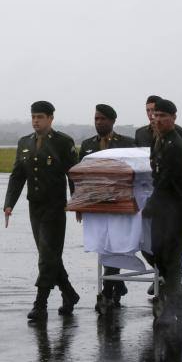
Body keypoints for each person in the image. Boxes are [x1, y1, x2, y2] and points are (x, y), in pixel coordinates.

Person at [4, 101, 80, 321]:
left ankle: (40, 304)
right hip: (34, 207)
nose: (36, 120)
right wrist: (9, 203)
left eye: (40, 117)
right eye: (33, 116)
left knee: (47, 257)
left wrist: (77, 203)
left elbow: (72, 175)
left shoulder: (63, 142)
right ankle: (69, 293)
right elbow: (18, 175)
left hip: (55, 207)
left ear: (50, 118)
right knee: (50, 256)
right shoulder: (24, 142)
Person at [78, 104, 135, 308]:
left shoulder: (127, 143)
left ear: (112, 121)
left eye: (102, 119)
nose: (98, 122)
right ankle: (115, 287)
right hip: (97, 204)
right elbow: (80, 176)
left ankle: (109, 289)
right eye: (96, 119)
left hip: (120, 204)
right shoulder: (87, 145)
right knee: (103, 245)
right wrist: (80, 204)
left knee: (115, 245)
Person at [146, 99, 182, 325]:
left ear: (174, 118)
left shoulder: (175, 144)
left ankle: (172, 303)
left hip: (179, 207)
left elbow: (166, 180)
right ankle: (179, 290)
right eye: (155, 115)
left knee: (172, 256)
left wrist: (150, 205)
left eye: (162, 116)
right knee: (156, 250)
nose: (157, 120)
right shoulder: (158, 141)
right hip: (164, 206)